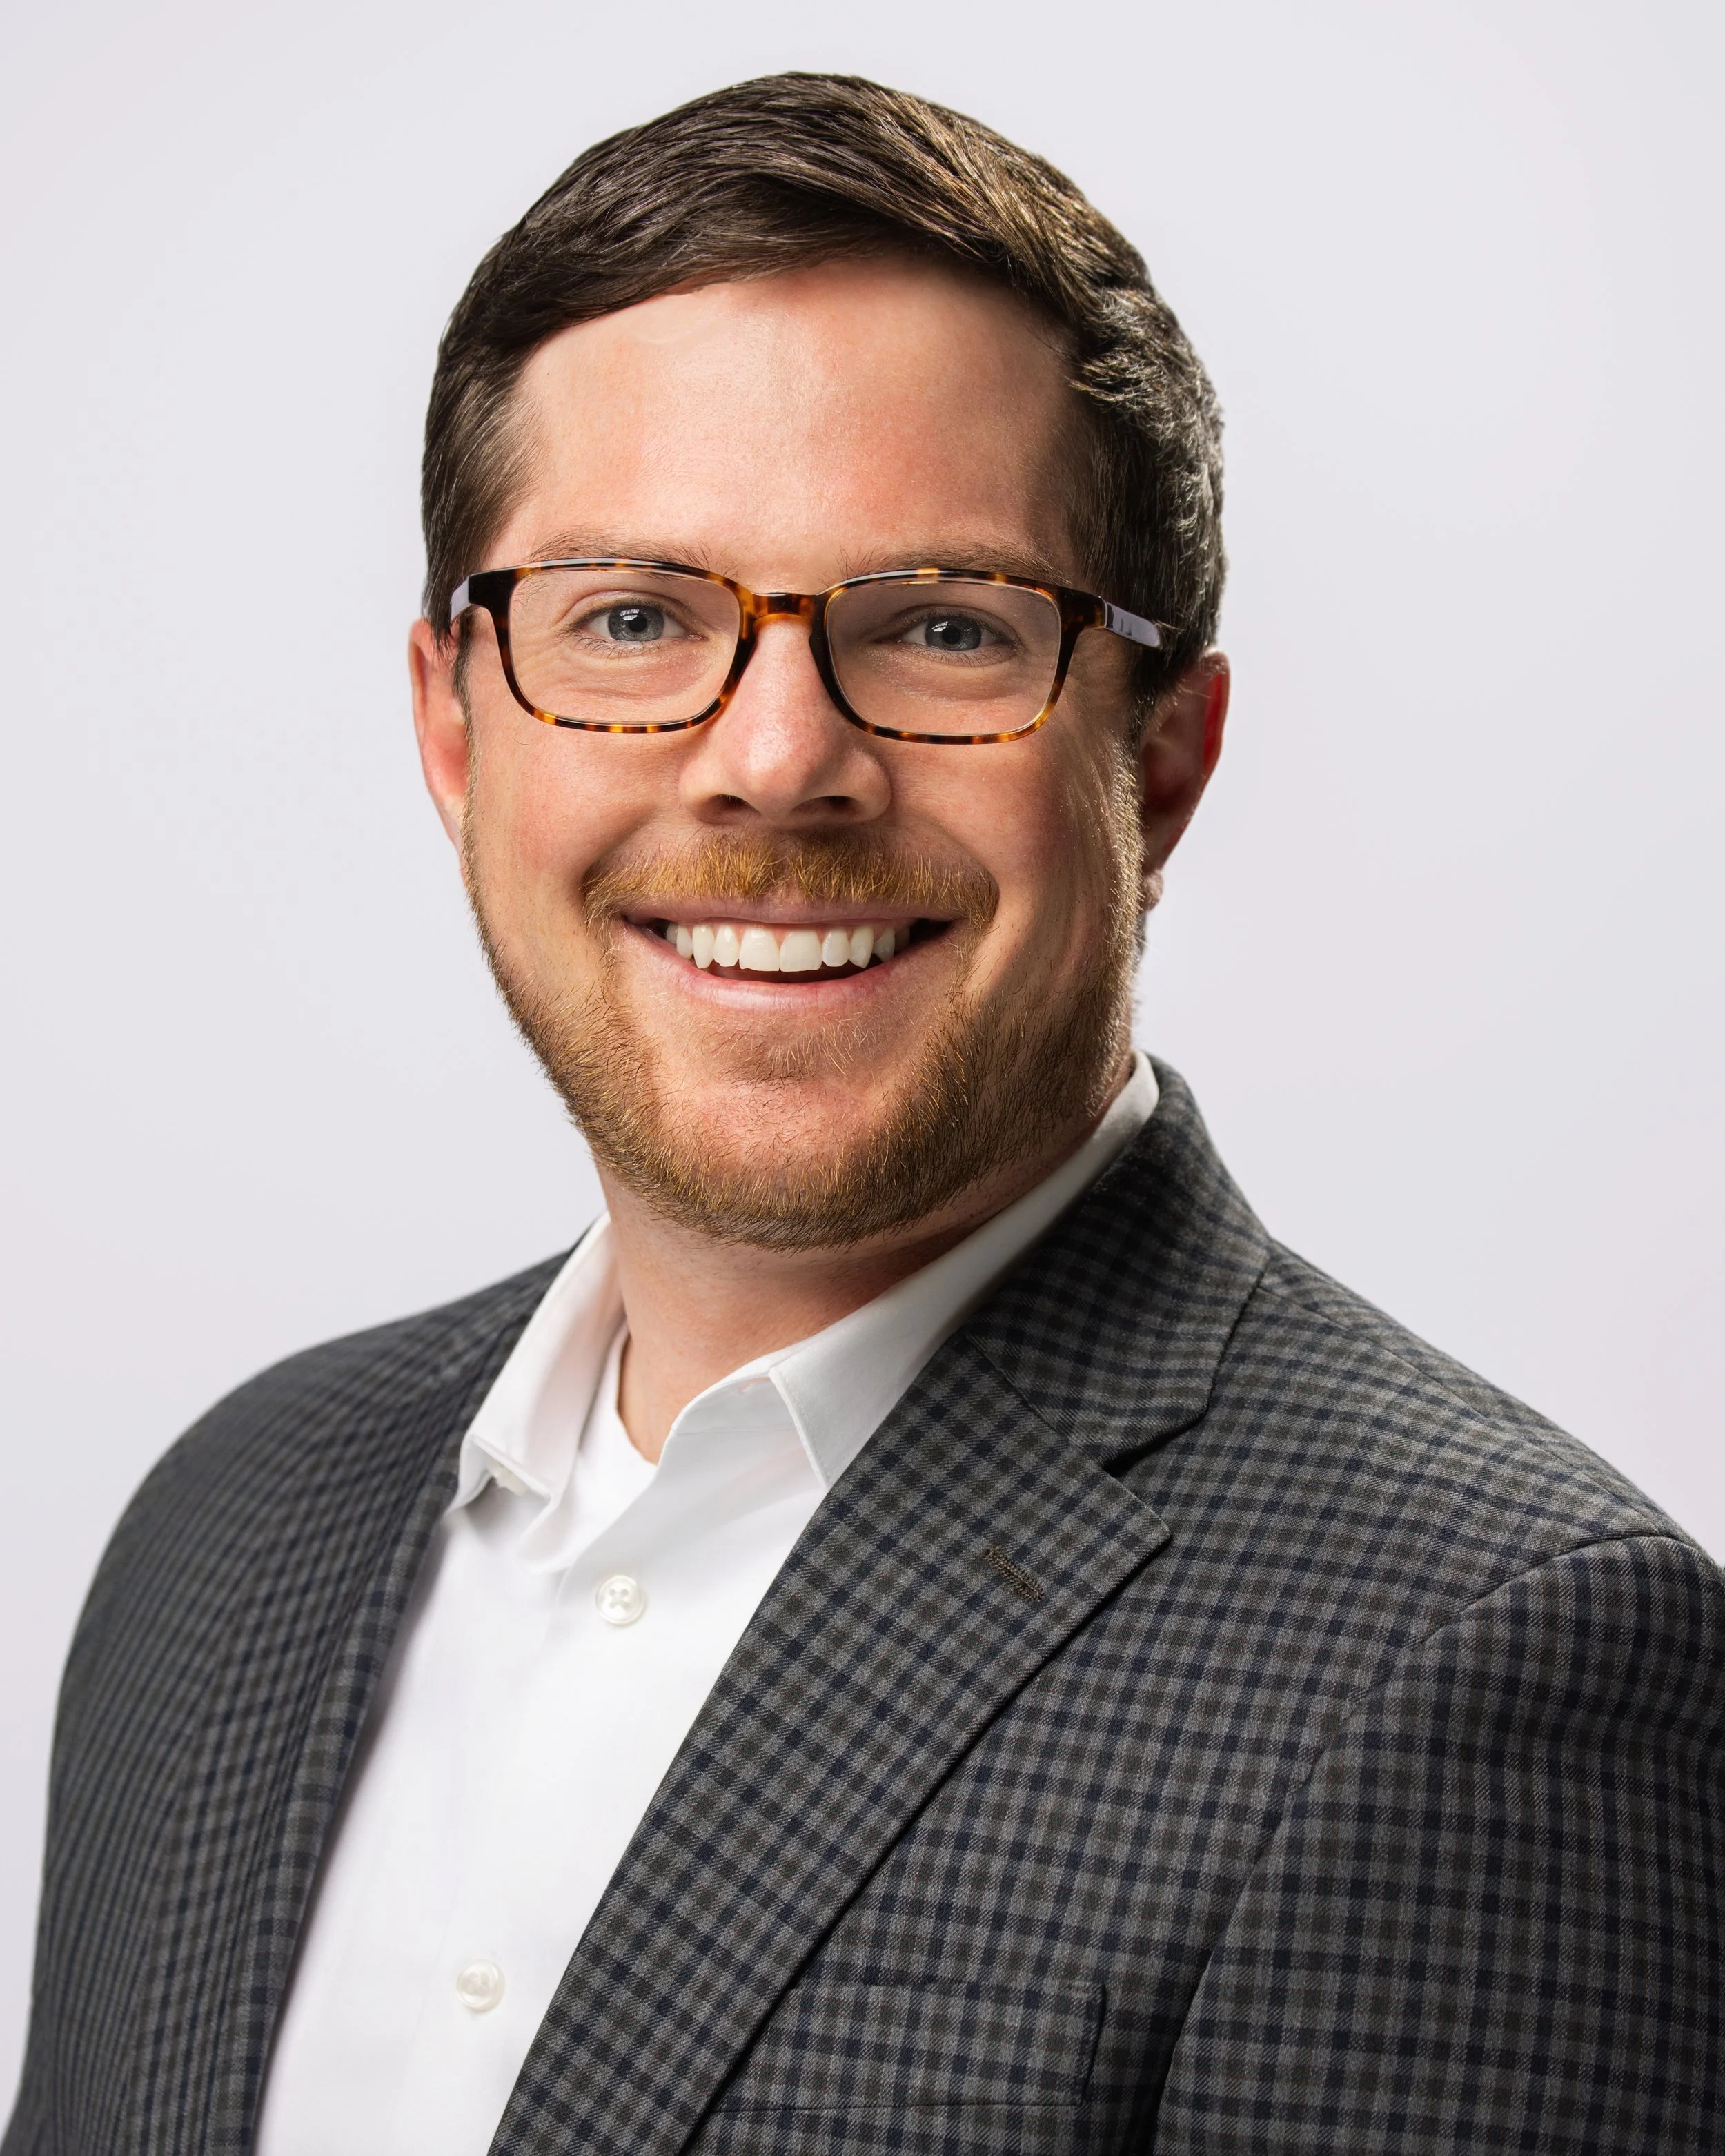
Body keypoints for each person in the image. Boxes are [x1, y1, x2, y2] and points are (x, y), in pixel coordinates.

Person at [7, 71, 1720, 2156]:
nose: (773, 762)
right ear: (454, 730)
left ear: (1160, 761)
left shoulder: (1486, 1653)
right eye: (632, 618)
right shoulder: (232, 1527)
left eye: (939, 627)